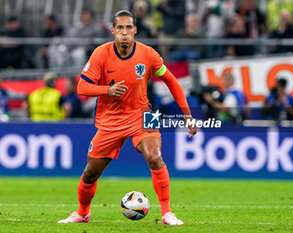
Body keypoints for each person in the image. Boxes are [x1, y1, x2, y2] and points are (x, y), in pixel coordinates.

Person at [57, 10, 197, 225]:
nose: (124, 32)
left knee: (155, 156)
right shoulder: (101, 53)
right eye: (120, 28)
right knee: (90, 173)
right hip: (110, 120)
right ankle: (83, 213)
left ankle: (167, 213)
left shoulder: (148, 54)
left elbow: (171, 80)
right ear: (113, 30)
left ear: (135, 30)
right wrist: (107, 90)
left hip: (142, 114)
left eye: (128, 28)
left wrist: (187, 114)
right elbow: (82, 86)